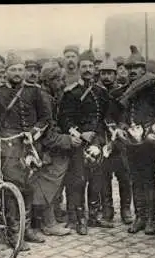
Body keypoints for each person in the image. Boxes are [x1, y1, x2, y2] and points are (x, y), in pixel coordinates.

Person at [0, 55, 52, 249]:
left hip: (30, 145)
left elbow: (45, 118)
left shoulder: (34, 92)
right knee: (12, 187)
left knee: (29, 186)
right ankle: (13, 232)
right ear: (6, 72)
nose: (17, 74)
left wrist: (34, 133)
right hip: (8, 146)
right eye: (13, 70)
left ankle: (26, 229)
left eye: (20, 70)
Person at [58, 49, 112, 234]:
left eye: (90, 66)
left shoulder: (101, 92)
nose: (88, 69)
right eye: (84, 66)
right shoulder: (71, 93)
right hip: (80, 143)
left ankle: (94, 216)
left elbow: (106, 117)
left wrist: (103, 137)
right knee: (79, 180)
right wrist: (80, 134)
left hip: (98, 142)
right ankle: (80, 219)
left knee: (97, 180)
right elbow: (64, 120)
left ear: (95, 68)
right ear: (79, 69)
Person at [115, 45, 155, 235]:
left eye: (136, 67)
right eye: (129, 68)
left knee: (149, 179)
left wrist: (152, 131)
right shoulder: (125, 92)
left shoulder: (151, 88)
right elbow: (121, 116)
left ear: (143, 69)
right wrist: (122, 128)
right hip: (130, 141)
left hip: (148, 141)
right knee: (135, 179)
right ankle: (140, 217)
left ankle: (151, 218)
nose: (133, 71)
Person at [27, 61, 74, 237]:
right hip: (42, 148)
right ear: (48, 80)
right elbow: (47, 133)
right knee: (50, 180)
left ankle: (46, 219)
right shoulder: (44, 99)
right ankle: (48, 223)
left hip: (43, 145)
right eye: (59, 80)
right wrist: (69, 140)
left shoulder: (46, 95)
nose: (62, 84)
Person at [97, 58, 133, 226]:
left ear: (115, 74)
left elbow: (126, 115)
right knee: (104, 177)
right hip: (103, 141)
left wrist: (120, 128)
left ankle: (126, 208)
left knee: (124, 176)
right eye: (103, 73)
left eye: (110, 73)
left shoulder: (122, 93)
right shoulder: (96, 92)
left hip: (120, 141)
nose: (107, 77)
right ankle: (107, 209)